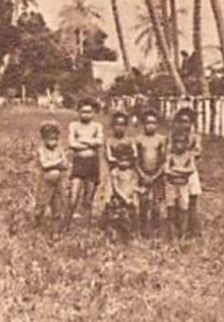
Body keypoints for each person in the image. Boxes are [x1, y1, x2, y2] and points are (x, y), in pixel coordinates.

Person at [67, 98, 104, 224]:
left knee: (88, 197)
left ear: (93, 113)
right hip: (79, 162)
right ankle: (66, 222)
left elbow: (99, 142)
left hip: (92, 162)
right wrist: (90, 143)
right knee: (73, 196)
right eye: (83, 112)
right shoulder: (74, 125)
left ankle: (86, 224)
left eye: (89, 112)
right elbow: (71, 144)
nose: (86, 114)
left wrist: (81, 140)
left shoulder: (97, 126)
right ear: (78, 112)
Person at [104, 110, 138, 240]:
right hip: (114, 174)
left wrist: (127, 158)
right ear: (113, 126)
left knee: (131, 203)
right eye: (117, 124)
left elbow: (134, 155)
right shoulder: (110, 141)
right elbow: (109, 157)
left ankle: (131, 230)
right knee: (109, 201)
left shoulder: (130, 140)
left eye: (123, 124)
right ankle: (110, 228)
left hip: (127, 175)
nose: (119, 127)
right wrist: (118, 159)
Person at [135, 108, 167, 237]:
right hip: (142, 174)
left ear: (157, 124)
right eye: (147, 123)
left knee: (156, 203)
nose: (150, 126)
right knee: (143, 202)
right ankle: (143, 228)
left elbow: (164, 160)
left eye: (153, 123)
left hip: (157, 175)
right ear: (143, 124)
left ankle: (156, 229)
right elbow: (135, 160)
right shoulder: (138, 139)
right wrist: (142, 174)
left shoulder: (161, 139)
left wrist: (156, 175)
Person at [172, 105, 203, 238]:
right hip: (176, 170)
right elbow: (170, 152)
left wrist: (187, 154)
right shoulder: (174, 136)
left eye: (187, 121)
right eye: (182, 121)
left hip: (190, 171)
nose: (185, 125)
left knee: (193, 198)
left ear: (192, 123)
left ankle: (193, 228)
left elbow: (197, 152)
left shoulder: (195, 137)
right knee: (179, 200)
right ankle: (179, 228)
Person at [165, 125, 197, 241]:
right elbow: (166, 170)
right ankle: (172, 236)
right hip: (171, 185)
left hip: (184, 186)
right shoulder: (170, 155)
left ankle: (182, 235)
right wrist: (182, 172)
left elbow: (191, 169)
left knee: (184, 209)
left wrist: (177, 170)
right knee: (171, 209)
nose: (179, 145)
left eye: (182, 142)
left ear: (186, 143)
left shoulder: (189, 155)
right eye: (176, 142)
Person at [34, 120, 68, 229]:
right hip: (45, 183)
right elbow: (45, 164)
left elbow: (65, 164)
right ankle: (37, 220)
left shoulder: (59, 149)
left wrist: (57, 164)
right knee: (41, 205)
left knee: (57, 206)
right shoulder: (41, 150)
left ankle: (55, 230)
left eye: (55, 139)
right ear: (44, 139)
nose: (53, 142)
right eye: (50, 139)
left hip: (57, 183)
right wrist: (57, 163)